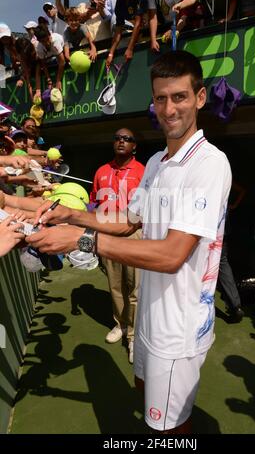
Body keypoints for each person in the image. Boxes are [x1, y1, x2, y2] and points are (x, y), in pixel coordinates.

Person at [27, 50, 232, 433]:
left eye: (179, 97)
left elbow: (173, 255)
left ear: (200, 98)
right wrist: (70, 214)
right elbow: (126, 221)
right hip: (150, 320)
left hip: (179, 328)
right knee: (142, 392)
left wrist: (83, 241)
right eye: (160, 98)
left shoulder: (210, 163)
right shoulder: (155, 163)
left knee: (169, 430)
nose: (169, 109)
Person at [90, 128, 144, 363]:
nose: (121, 141)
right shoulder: (101, 171)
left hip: (134, 234)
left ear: (134, 146)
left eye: (127, 139)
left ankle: (133, 336)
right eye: (118, 138)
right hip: (107, 234)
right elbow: (94, 202)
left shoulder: (144, 171)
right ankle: (120, 325)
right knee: (115, 285)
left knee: (135, 288)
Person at [218, 181, 246, 323]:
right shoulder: (224, 173)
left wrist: (233, 206)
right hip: (222, 227)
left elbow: (241, 190)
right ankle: (235, 306)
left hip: (206, 228)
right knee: (223, 264)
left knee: (199, 265)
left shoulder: (201, 170)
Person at [106, 0, 148, 67]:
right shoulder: (119, 1)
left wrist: (130, 48)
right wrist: (111, 53)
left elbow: (138, 23)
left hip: (151, 31)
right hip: (139, 31)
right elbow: (118, 30)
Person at [34, 25, 65, 95]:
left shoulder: (56, 41)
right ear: (39, 41)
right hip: (52, 57)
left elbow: (62, 62)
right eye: (43, 41)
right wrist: (48, 78)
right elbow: (43, 64)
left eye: (47, 39)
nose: (46, 43)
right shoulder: (39, 48)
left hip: (64, 49)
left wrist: (58, 81)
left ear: (49, 35)